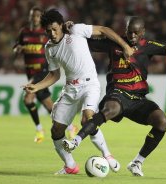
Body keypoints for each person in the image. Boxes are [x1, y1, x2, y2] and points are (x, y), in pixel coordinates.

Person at [63, 16, 166, 176]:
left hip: (138, 99)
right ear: (125, 31)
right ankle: (75, 141)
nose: (132, 36)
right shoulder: (114, 43)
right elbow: (84, 42)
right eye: (129, 32)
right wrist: (69, 30)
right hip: (117, 92)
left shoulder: (148, 46)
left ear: (142, 33)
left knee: (162, 121)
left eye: (136, 33)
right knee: (110, 109)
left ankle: (137, 162)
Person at [23, 9, 134, 175]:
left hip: (89, 85)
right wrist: (37, 86)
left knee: (87, 118)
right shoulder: (49, 48)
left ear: (61, 25)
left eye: (54, 29)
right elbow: (55, 74)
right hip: (70, 89)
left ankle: (107, 155)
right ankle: (70, 166)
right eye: (48, 31)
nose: (52, 33)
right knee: (56, 130)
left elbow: (104, 30)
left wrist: (125, 46)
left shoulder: (75, 30)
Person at [13, 6, 78, 143]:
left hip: (43, 71)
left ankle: (39, 129)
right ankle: (71, 127)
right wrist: (17, 49)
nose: (34, 18)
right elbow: (15, 47)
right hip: (30, 71)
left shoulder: (46, 32)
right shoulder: (24, 32)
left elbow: (57, 40)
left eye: (37, 16)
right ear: (30, 17)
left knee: (28, 99)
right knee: (49, 106)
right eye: (33, 16)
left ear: (40, 18)